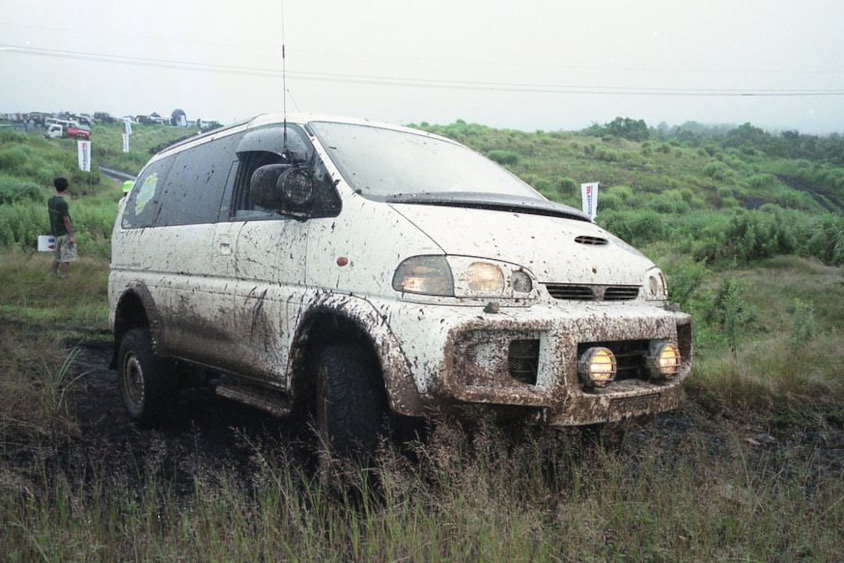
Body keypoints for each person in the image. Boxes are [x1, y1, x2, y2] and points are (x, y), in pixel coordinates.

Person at [47, 177, 77, 278]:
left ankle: (53, 274)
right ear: (65, 188)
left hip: (55, 232)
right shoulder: (63, 203)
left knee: (57, 256)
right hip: (64, 233)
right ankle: (65, 276)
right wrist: (71, 235)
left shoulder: (50, 201)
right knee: (66, 257)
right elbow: (66, 219)